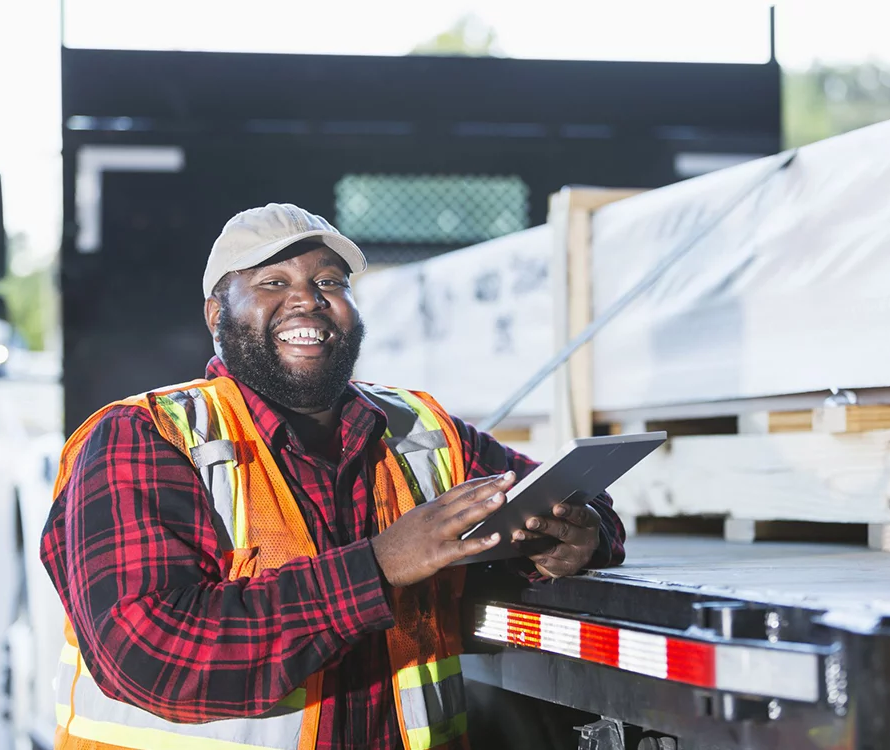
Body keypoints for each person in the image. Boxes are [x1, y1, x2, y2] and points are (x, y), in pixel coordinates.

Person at [40, 203, 626, 750]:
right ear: (217, 314)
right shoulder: (143, 437)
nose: (308, 300)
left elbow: (567, 497)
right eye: (273, 283)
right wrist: (378, 564)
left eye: (329, 283)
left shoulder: (419, 429)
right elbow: (152, 654)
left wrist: (579, 536)